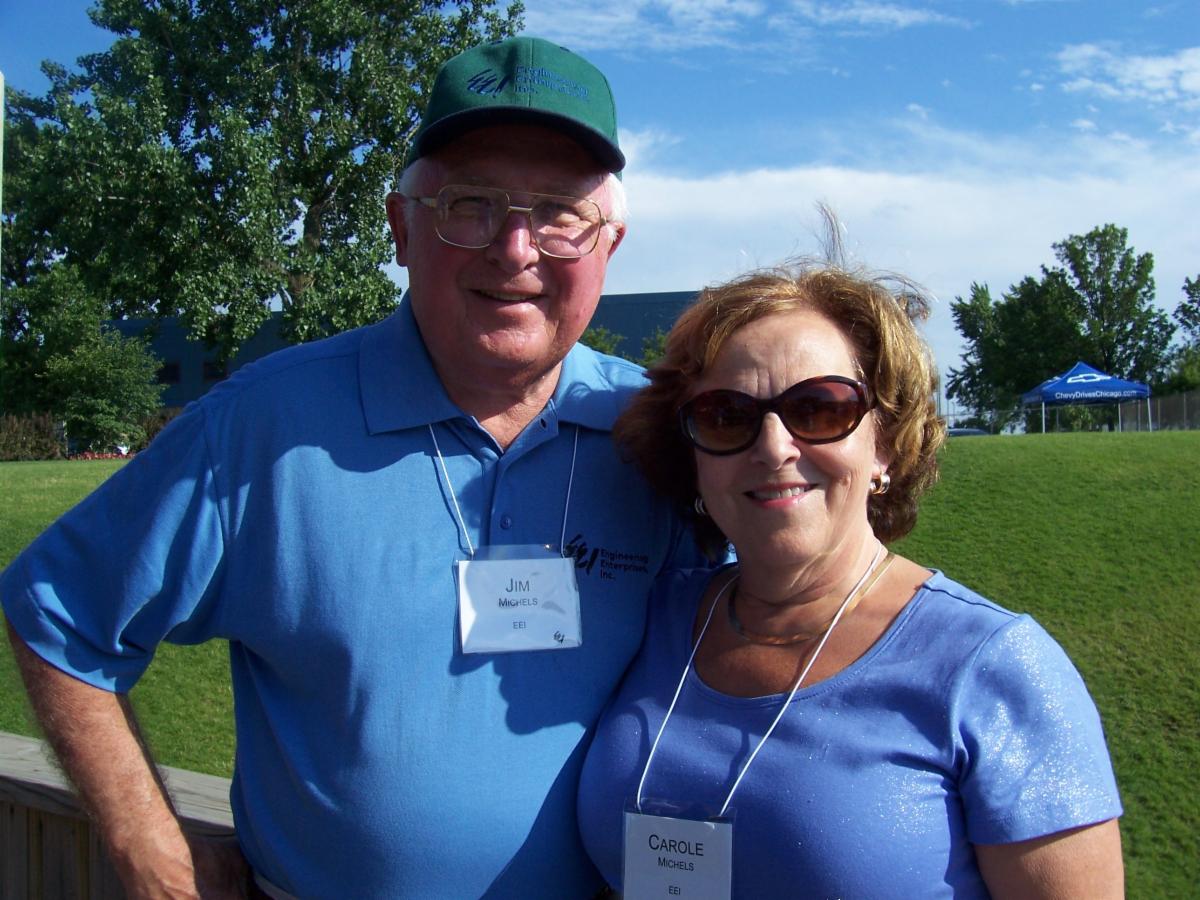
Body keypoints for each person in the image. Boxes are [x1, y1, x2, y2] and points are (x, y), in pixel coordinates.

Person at [1, 36, 704, 898]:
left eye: (560, 213)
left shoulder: (661, 436)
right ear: (402, 228)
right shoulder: (263, 427)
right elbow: (57, 614)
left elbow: (783, 630)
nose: (516, 248)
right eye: (471, 204)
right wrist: (148, 847)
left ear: (610, 244)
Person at [576, 254, 1124, 898]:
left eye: (819, 409)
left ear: (884, 442)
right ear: (693, 451)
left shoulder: (993, 667)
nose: (774, 447)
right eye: (727, 415)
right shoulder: (656, 615)